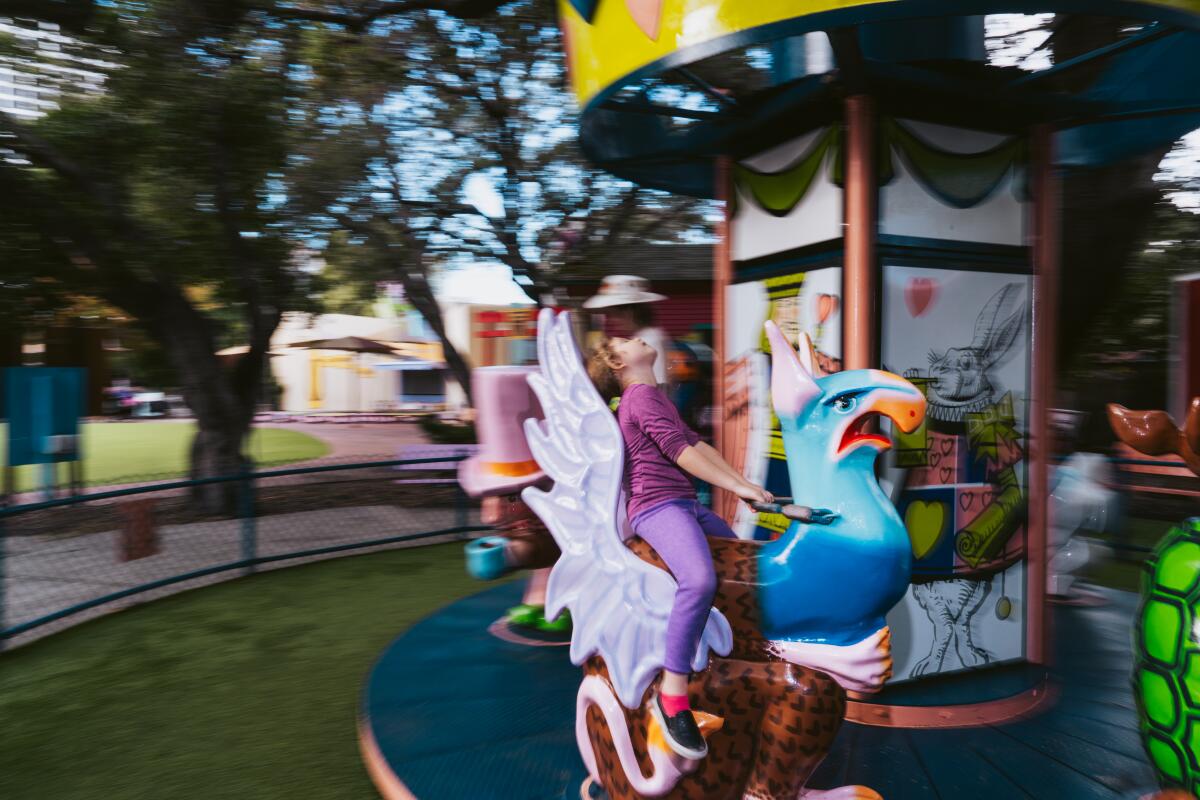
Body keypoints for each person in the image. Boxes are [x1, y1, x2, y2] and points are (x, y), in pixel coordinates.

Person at [587, 335, 772, 761]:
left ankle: (727, 650)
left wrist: (742, 486)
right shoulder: (638, 399)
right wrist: (736, 485)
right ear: (618, 362)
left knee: (740, 558)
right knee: (700, 579)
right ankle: (673, 693)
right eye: (623, 340)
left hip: (683, 502)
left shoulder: (655, 397)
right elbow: (681, 453)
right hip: (656, 506)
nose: (635, 336)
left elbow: (697, 443)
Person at [583, 275, 673, 390]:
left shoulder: (648, 340)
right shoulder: (642, 338)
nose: (611, 320)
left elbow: (659, 385)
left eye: (613, 314)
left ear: (629, 312)